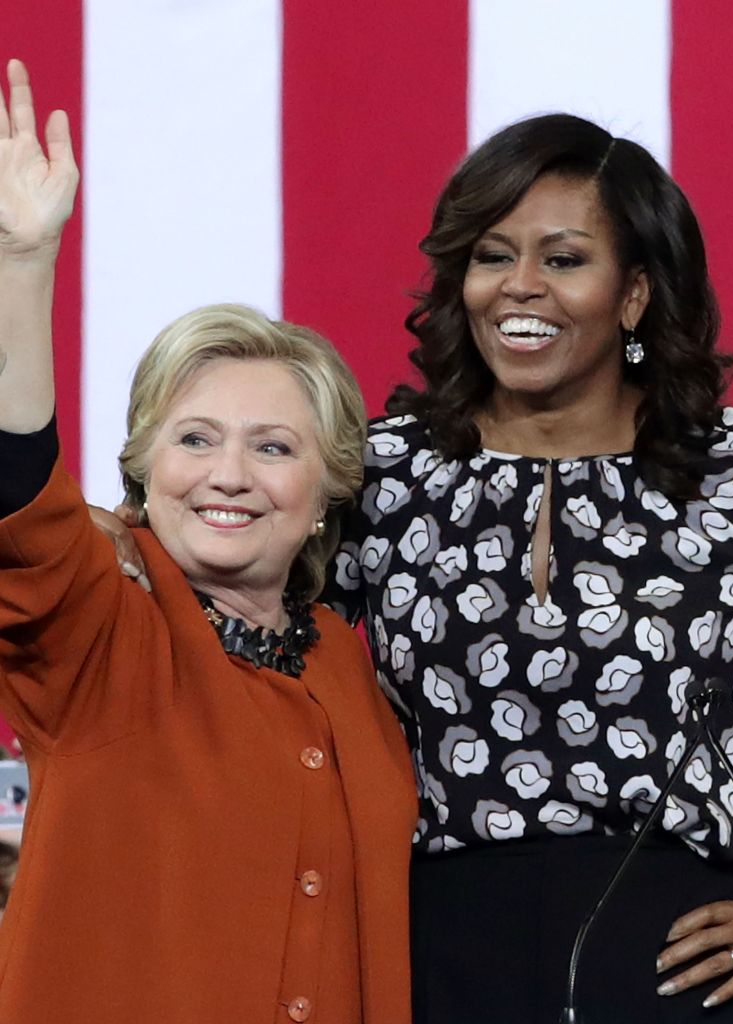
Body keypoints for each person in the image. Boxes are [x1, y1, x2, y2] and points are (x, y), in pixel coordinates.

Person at [100, 109, 733, 1020]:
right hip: (428, 958)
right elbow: (221, 605)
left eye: (564, 260)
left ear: (636, 293)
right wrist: (120, 544)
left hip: (676, 970)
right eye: (491, 256)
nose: (518, 288)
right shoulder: (385, 472)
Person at [0, 59, 416, 1024]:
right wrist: (24, 268)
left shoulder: (354, 673)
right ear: (146, 469)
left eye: (272, 447)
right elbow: (19, 505)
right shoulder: (103, 635)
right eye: (195, 440)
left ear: (325, 491)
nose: (229, 474)